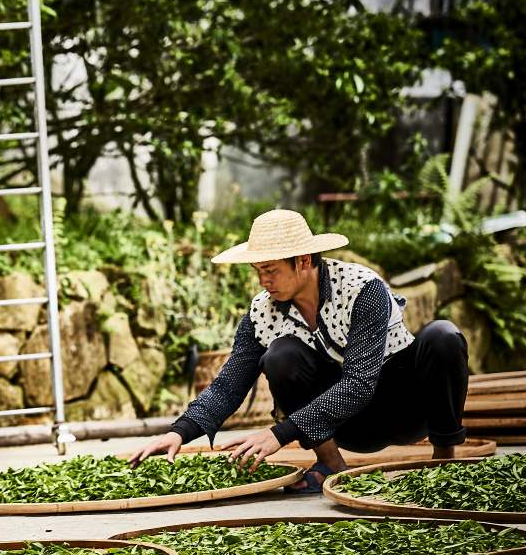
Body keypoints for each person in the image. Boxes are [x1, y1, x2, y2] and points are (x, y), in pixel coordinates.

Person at [130, 209, 469, 493]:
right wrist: (180, 431)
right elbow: (229, 383)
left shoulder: (362, 288)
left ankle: (443, 461)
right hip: (345, 425)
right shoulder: (262, 312)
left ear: (303, 261)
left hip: (403, 406)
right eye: (259, 271)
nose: (264, 281)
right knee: (281, 356)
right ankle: (330, 463)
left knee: (443, 335)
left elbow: (360, 384)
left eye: (271, 270)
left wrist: (279, 434)